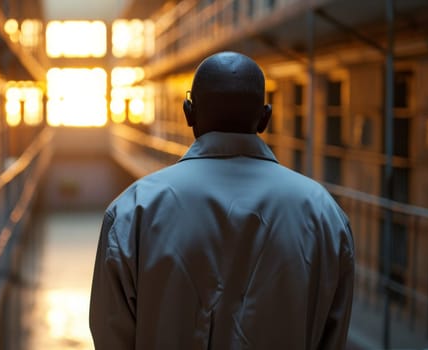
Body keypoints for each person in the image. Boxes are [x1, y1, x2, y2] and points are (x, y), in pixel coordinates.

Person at [89, 51, 354, 349]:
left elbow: (112, 336)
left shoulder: (134, 211)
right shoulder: (323, 214)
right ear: (265, 117)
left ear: (188, 113)